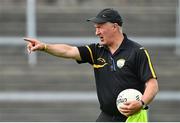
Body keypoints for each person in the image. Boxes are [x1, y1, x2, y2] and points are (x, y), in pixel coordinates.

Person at [24, 8, 159, 122]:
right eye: (96, 28)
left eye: (100, 27)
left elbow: (152, 85)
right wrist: (45, 47)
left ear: (114, 26)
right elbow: (69, 50)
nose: (97, 32)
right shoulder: (96, 51)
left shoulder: (137, 52)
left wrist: (141, 103)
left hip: (132, 117)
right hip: (106, 116)